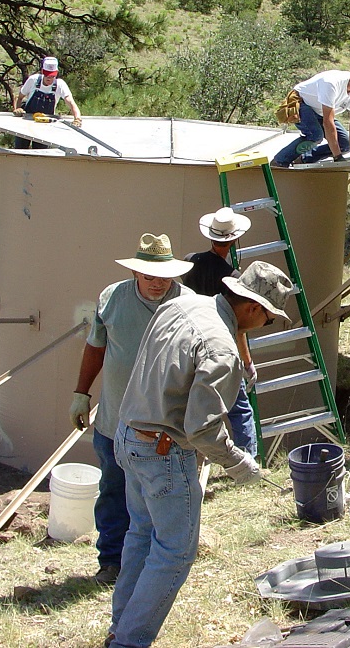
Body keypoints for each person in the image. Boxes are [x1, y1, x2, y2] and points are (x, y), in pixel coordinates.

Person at [108, 261, 289, 648]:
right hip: (163, 452)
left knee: (141, 534)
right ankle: (128, 642)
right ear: (253, 308)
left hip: (128, 435)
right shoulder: (222, 350)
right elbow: (201, 429)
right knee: (174, 552)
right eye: (269, 318)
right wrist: (239, 463)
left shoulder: (183, 304)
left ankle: (120, 628)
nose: (266, 325)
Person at [68, 234, 191, 585]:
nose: (158, 284)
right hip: (114, 419)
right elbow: (95, 348)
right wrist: (81, 394)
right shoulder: (112, 299)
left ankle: (157, 563)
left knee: (162, 494)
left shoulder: (189, 304)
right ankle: (111, 562)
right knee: (113, 491)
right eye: (150, 276)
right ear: (136, 273)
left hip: (166, 425)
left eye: (165, 276)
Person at [180, 207, 258, 458]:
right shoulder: (233, 278)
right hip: (220, 346)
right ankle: (248, 461)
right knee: (239, 409)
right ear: (234, 240)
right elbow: (238, 327)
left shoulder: (190, 260)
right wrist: (247, 362)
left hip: (190, 343)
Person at [271, 68, 350, 168]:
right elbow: (328, 122)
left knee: (344, 144)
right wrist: (337, 157)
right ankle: (279, 162)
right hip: (302, 103)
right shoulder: (332, 83)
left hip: (320, 111)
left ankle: (303, 159)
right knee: (315, 135)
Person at [12, 56, 83, 148]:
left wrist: (77, 118)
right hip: (26, 123)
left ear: (56, 74)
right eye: (46, 75)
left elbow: (71, 102)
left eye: (52, 76)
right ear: (42, 72)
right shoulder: (33, 80)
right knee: (19, 151)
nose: (49, 78)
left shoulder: (60, 85)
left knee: (40, 155)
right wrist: (17, 109)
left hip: (45, 126)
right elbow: (19, 97)